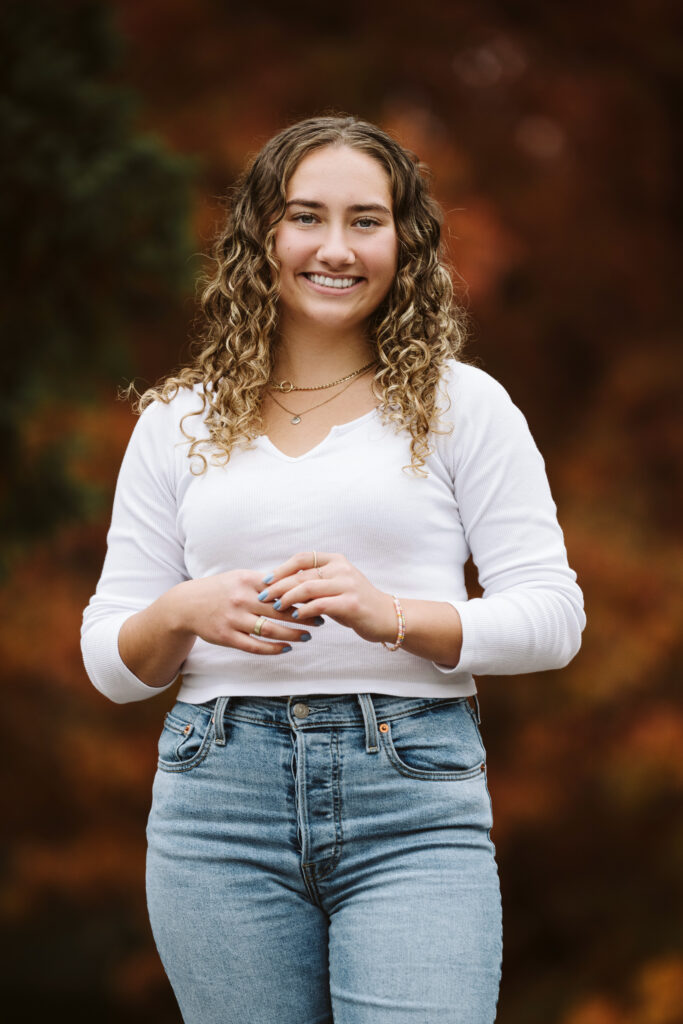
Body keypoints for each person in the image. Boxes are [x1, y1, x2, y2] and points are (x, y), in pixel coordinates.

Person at [81, 114, 585, 1024]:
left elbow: (552, 619)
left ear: (405, 241)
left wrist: (390, 613)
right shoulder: (177, 421)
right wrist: (184, 610)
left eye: (366, 220)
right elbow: (112, 663)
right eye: (307, 217)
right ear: (262, 236)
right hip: (215, 805)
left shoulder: (461, 405)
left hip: (411, 798)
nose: (335, 248)